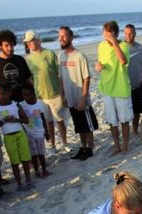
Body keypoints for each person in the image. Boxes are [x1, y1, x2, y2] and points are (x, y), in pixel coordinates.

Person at [23, 30, 70, 154]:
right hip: (41, 97)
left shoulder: (50, 54)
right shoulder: (29, 59)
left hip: (55, 94)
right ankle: (53, 146)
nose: (29, 44)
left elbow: (59, 75)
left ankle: (65, 143)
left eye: (31, 41)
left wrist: (63, 93)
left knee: (60, 121)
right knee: (48, 122)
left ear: (38, 40)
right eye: (27, 42)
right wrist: (36, 87)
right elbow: (29, 77)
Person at [58, 26, 98, 161]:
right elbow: (61, 78)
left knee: (87, 126)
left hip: (81, 98)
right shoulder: (61, 56)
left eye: (64, 36)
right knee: (79, 126)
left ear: (71, 37)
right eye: (59, 36)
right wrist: (63, 95)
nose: (61, 39)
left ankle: (90, 149)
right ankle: (83, 148)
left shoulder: (80, 56)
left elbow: (86, 78)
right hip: (69, 98)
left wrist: (83, 97)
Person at [96, 21, 132, 154]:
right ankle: (117, 146)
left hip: (121, 88)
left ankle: (125, 146)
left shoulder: (123, 45)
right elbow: (100, 61)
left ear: (115, 34)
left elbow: (123, 61)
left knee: (124, 120)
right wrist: (98, 66)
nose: (105, 36)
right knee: (112, 121)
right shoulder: (101, 45)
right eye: (104, 33)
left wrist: (114, 42)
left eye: (108, 33)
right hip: (106, 88)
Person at [0, 83, 34, 191]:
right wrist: (3, 121)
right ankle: (19, 183)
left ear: (9, 94)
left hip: (20, 134)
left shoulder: (15, 105)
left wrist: (16, 120)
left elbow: (26, 120)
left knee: (25, 159)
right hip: (8, 137)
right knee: (14, 161)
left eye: (3, 94)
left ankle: (28, 180)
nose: (0, 96)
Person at [0, 29, 33, 102]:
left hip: (23, 100)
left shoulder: (20, 59)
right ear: (0, 46)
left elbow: (28, 80)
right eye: (6, 45)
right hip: (6, 102)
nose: (10, 48)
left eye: (12, 45)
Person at [20, 82, 51, 178]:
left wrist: (46, 132)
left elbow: (42, 118)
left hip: (40, 133)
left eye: (29, 94)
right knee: (34, 154)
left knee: (41, 153)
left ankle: (44, 169)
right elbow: (21, 120)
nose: (27, 97)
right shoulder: (21, 105)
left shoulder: (39, 104)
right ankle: (37, 171)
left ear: (33, 94)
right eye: (24, 95)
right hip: (30, 134)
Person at [124, 24, 142, 135]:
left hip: (138, 84)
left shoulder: (140, 48)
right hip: (125, 86)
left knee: (137, 112)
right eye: (126, 33)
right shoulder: (120, 48)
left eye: (131, 33)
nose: (129, 36)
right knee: (125, 112)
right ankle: (126, 131)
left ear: (135, 34)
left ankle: (134, 130)